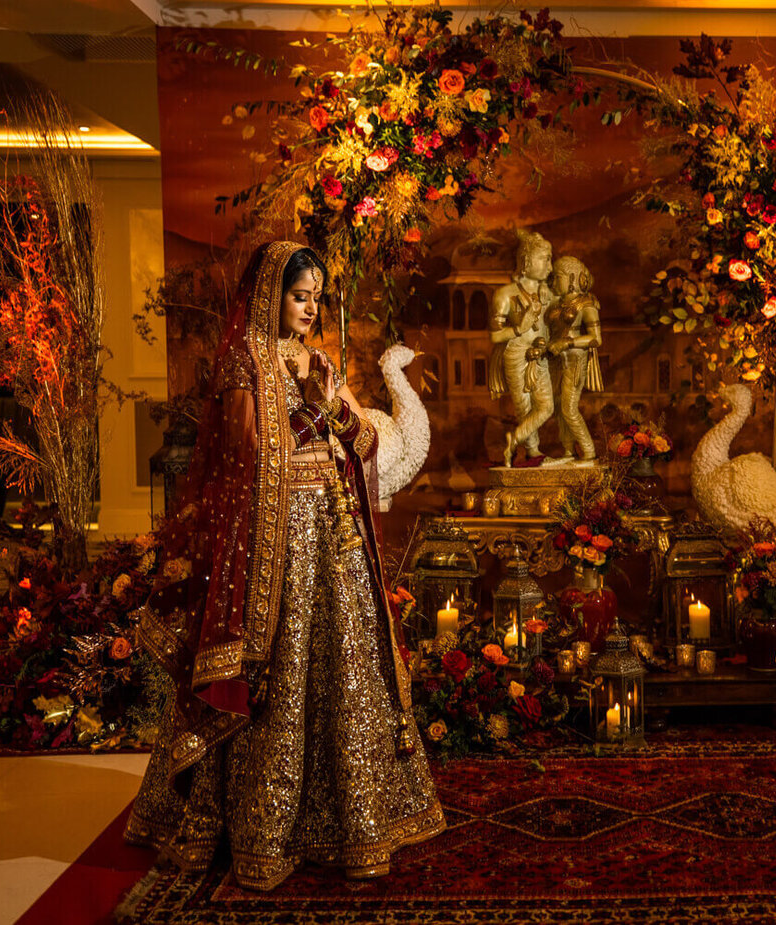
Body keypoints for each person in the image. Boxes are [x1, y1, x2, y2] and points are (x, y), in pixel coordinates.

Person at [124, 241, 446, 891]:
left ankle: (348, 818)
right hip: (275, 543)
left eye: (316, 298)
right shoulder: (244, 361)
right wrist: (303, 408)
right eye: (300, 296)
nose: (309, 308)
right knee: (284, 669)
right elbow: (244, 451)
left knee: (341, 673)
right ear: (272, 294)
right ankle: (262, 828)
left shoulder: (320, 360)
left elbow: (367, 441)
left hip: (333, 537)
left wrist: (329, 404)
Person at [488, 232, 555, 466]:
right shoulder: (505, 295)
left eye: (550, 259)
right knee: (524, 407)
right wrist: (520, 328)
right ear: (526, 262)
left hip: (539, 354)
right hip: (516, 352)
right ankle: (533, 451)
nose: (550, 265)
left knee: (546, 407)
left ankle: (514, 439)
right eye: (545, 259)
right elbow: (495, 335)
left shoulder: (547, 293)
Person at [546, 256, 604, 464]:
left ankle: (588, 451)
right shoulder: (558, 304)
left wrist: (568, 343)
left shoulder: (586, 304)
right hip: (557, 360)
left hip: (575, 359)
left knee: (569, 407)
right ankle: (568, 451)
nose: (554, 283)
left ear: (572, 277)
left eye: (557, 277)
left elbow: (596, 339)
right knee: (558, 405)